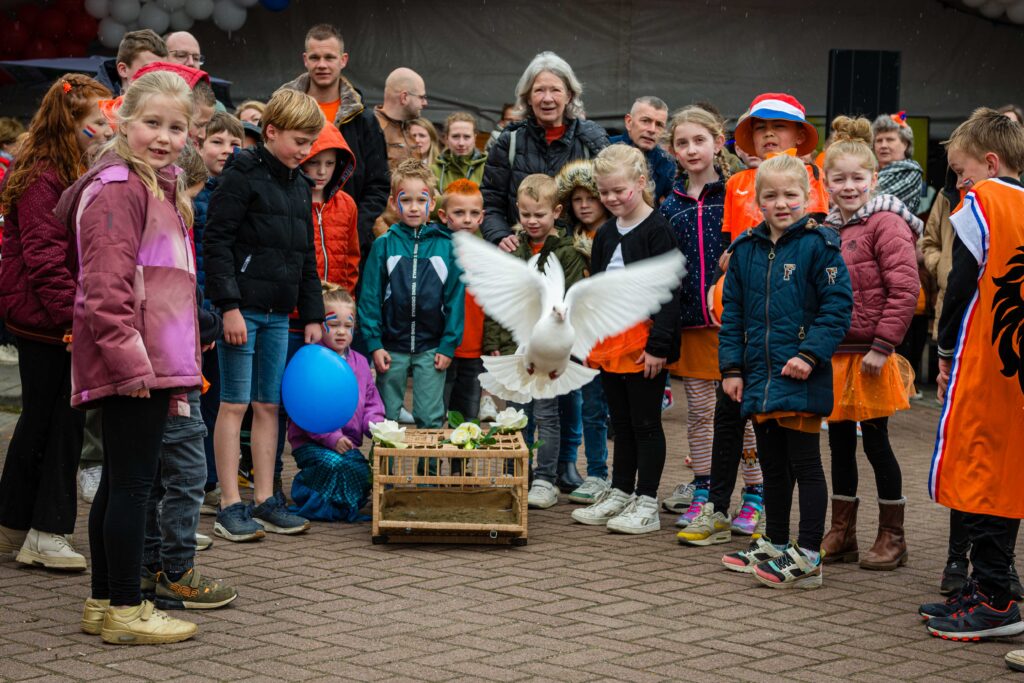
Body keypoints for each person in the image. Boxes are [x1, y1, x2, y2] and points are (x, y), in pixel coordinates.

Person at [55, 70, 201, 643]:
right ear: (122, 120)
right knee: (135, 486)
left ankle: (102, 603)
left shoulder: (156, 185)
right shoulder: (118, 188)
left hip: (152, 359)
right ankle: (125, 607)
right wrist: (130, 363)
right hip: (136, 363)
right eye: (151, 123)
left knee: (121, 481)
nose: (163, 137)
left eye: (175, 126)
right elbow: (104, 289)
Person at [717, 153, 852, 588]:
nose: (782, 203)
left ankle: (809, 553)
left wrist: (810, 355)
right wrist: (732, 369)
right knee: (772, 466)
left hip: (800, 374)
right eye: (771, 195)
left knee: (806, 465)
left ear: (809, 196)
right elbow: (733, 312)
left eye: (791, 194)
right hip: (759, 376)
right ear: (757, 200)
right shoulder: (746, 250)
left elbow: (837, 308)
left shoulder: (820, 245)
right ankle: (775, 541)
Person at [920, 109, 1024, 645]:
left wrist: (943, 348)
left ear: (988, 163)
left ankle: (996, 598)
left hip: (986, 357)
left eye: (961, 173)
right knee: (1004, 469)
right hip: (1017, 368)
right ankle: (994, 585)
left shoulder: (983, 202)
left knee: (981, 470)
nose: (959, 185)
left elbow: (960, 284)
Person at [203, 89, 326, 543]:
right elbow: (216, 243)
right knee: (233, 404)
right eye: (299, 140)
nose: (306, 150)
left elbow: (306, 256)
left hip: (281, 313)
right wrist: (229, 308)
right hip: (243, 312)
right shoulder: (240, 174)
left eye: (311, 141)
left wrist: (312, 313)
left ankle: (267, 499)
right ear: (271, 131)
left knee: (269, 406)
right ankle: (231, 504)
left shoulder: (298, 183)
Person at [0, 74, 112, 569]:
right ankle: (46, 531)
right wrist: (77, 321)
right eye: (96, 124)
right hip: (48, 321)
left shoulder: (64, 165)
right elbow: (45, 259)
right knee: (60, 423)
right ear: (72, 124)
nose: (104, 132)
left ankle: (15, 520)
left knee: (42, 420)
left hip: (51, 318)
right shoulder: (44, 172)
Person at [657, 107, 765, 546]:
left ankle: (754, 494)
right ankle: (704, 491)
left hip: (735, 325)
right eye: (682, 143)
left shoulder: (740, 193)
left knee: (743, 415)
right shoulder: (669, 204)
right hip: (691, 325)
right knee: (700, 415)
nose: (691, 150)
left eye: (699, 140)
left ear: (718, 142)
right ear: (672, 151)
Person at [816, 116, 920, 571]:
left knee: (876, 443)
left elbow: (905, 289)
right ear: (825, 181)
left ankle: (892, 535)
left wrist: (883, 344)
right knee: (839, 444)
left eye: (858, 177)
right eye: (838, 178)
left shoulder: (886, 224)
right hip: (834, 354)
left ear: (873, 179)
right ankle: (842, 533)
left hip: (871, 355)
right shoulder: (823, 229)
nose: (849, 185)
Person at [138, 141, 236, 610]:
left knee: (157, 473)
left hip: (169, 362)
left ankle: (150, 565)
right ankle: (177, 572)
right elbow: (178, 299)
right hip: (173, 367)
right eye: (193, 195)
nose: (194, 206)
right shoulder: (164, 227)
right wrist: (209, 324)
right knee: (187, 473)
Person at [570, 144, 680, 534]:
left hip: (644, 343)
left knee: (646, 423)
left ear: (641, 182)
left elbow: (670, 295)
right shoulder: (604, 233)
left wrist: (659, 347)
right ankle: (620, 491)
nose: (612, 199)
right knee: (621, 421)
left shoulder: (658, 229)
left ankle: (646, 500)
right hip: (610, 342)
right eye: (605, 192)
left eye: (620, 190)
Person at [481, 174, 586, 509]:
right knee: (516, 413)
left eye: (539, 214)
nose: (532, 221)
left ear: (556, 211)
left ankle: (545, 478)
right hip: (516, 351)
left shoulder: (567, 253)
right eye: (525, 214)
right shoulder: (513, 249)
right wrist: (494, 341)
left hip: (548, 354)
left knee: (548, 414)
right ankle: (517, 472)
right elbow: (500, 300)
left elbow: (567, 305)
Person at [358, 159, 464, 429]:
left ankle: (426, 471)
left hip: (432, 347)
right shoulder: (384, 246)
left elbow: (455, 300)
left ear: (433, 202)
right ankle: (384, 471)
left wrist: (448, 344)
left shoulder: (448, 247)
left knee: (430, 418)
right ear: (394, 203)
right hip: (391, 346)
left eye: (422, 199)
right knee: (386, 419)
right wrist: (374, 343)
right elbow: (370, 298)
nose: (414, 207)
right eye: (407, 200)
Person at [279, 23, 390, 272]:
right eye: (315, 57)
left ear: (343, 60)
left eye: (329, 57)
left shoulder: (363, 119)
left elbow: (378, 184)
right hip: (290, 236)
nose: (322, 65)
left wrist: (354, 231)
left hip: (345, 244)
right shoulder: (282, 111)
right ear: (305, 60)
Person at [481, 51, 609, 249]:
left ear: (569, 95)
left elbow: (609, 202)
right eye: (539, 90)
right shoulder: (509, 142)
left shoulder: (591, 142)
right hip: (522, 255)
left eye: (555, 90)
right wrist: (500, 236)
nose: (547, 98)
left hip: (576, 256)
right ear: (528, 98)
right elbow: (491, 202)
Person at [288, 284, 384, 521]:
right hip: (312, 443)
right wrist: (331, 437)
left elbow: (371, 402)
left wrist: (377, 427)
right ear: (320, 325)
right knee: (333, 464)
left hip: (347, 443)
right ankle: (310, 498)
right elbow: (308, 408)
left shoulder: (361, 363)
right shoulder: (310, 360)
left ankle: (343, 507)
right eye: (333, 325)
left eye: (348, 326)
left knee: (362, 472)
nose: (341, 332)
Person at [193, 112, 243, 515]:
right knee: (195, 401)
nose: (227, 150)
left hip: (226, 312)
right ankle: (195, 481)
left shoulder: (240, 191)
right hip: (198, 312)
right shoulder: (193, 194)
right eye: (217, 142)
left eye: (234, 144)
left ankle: (212, 480)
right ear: (199, 145)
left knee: (219, 400)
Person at [554, 160, 611, 503]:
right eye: (578, 199)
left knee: (608, 408)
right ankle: (596, 472)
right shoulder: (566, 241)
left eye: (592, 197)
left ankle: (612, 476)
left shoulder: (618, 233)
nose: (586, 205)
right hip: (578, 337)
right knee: (586, 406)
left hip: (611, 332)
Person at [722, 92, 828, 242]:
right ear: (752, 137)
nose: (768, 133)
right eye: (760, 128)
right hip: (743, 262)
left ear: (800, 136)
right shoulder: (735, 182)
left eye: (779, 126)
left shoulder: (811, 174)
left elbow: (815, 225)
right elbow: (727, 235)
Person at [439, 179, 487, 421]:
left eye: (473, 213)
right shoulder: (437, 252)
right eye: (459, 213)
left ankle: (462, 462)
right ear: (444, 215)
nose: (467, 219)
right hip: (441, 349)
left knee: (467, 419)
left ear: (482, 217)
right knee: (435, 415)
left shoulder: (488, 256)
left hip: (474, 350)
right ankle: (430, 461)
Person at [609, 96, 675, 205]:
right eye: (645, 121)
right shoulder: (605, 149)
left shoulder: (667, 164)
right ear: (629, 122)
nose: (652, 130)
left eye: (659, 125)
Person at [375, 69, 430, 168]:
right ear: (404, 97)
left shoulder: (408, 128)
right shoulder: (372, 128)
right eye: (421, 97)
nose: (425, 103)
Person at [872, 113, 923, 212]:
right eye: (878, 140)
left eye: (890, 140)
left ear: (905, 144)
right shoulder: (870, 170)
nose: (883, 145)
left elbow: (869, 203)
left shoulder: (910, 171)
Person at [94, 29, 168, 96]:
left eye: (162, 72)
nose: (158, 78)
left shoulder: (170, 99)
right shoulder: (90, 101)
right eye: (149, 70)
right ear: (123, 70)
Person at [433, 112, 488, 191]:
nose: (461, 143)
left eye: (467, 137)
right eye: (455, 136)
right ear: (446, 138)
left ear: (475, 138)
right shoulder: (434, 170)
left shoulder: (487, 168)